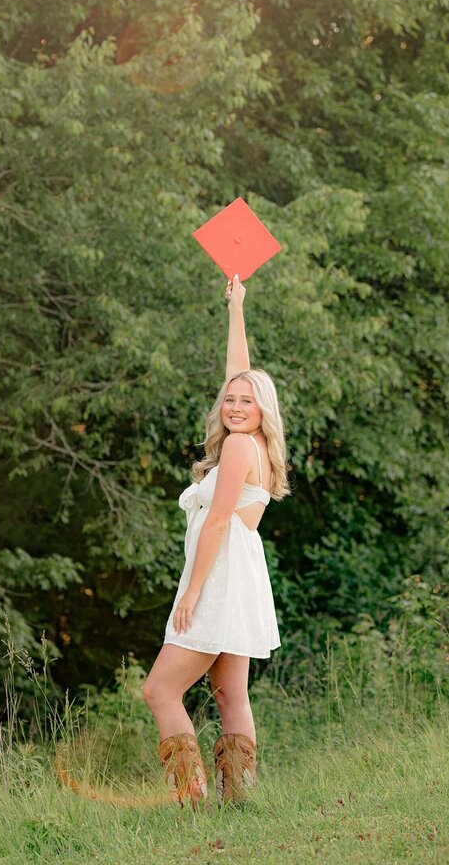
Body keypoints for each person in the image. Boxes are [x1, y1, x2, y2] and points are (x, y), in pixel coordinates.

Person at [142, 272, 290, 809]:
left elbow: (219, 520)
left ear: (261, 409)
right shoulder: (256, 445)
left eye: (245, 401)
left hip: (220, 573)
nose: (233, 405)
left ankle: (192, 798)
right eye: (230, 399)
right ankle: (240, 802)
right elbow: (240, 373)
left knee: (159, 690)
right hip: (242, 576)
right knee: (230, 694)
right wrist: (237, 309)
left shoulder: (235, 451)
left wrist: (191, 592)